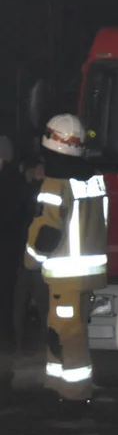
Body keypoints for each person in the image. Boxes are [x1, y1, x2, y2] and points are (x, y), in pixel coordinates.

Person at [24, 114, 108, 409]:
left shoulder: (54, 184)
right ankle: (56, 382)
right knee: (68, 329)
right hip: (89, 272)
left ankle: (74, 392)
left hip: (65, 275)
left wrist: (31, 260)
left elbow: (47, 232)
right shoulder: (93, 178)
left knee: (66, 333)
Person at [0, 136, 25, 395]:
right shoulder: (15, 181)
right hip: (8, 258)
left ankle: (5, 370)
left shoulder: (10, 184)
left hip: (5, 259)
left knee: (4, 312)